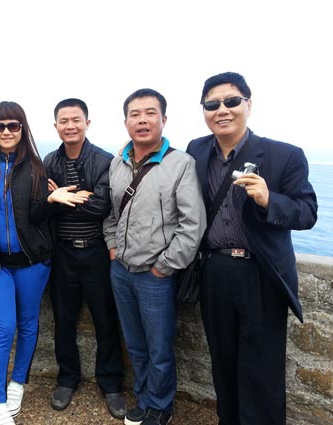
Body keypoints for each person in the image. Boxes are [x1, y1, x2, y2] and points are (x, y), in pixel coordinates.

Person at [186, 72, 318, 425]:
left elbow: (307, 212)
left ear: (248, 104)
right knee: (222, 360)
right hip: (214, 269)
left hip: (260, 273)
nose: (222, 110)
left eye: (231, 101)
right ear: (204, 110)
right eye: (212, 104)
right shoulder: (196, 150)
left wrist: (269, 199)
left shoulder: (284, 155)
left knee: (262, 365)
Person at [0, 101, 78, 425]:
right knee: (4, 326)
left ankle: (17, 383)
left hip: (33, 261)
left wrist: (52, 201)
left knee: (28, 323)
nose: (6, 132)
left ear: (22, 129)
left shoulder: (37, 167)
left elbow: (36, 215)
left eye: (13, 125)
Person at [103, 88, 206, 425]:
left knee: (159, 348)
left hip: (155, 275)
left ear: (164, 119)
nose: (142, 120)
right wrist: (112, 247)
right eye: (135, 114)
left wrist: (164, 266)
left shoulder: (180, 164)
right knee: (135, 344)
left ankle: (160, 406)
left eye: (150, 113)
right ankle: (144, 398)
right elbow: (111, 214)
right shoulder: (117, 163)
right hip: (121, 270)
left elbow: (192, 224)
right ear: (126, 122)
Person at [43, 98, 126, 419]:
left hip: (96, 252)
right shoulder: (50, 161)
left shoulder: (104, 161)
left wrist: (63, 196)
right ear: (56, 126)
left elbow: (101, 207)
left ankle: (111, 384)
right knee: (63, 320)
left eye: (76, 120)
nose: (70, 126)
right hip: (62, 252)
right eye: (64, 121)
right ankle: (67, 379)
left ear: (87, 123)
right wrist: (74, 196)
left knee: (106, 320)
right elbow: (45, 204)